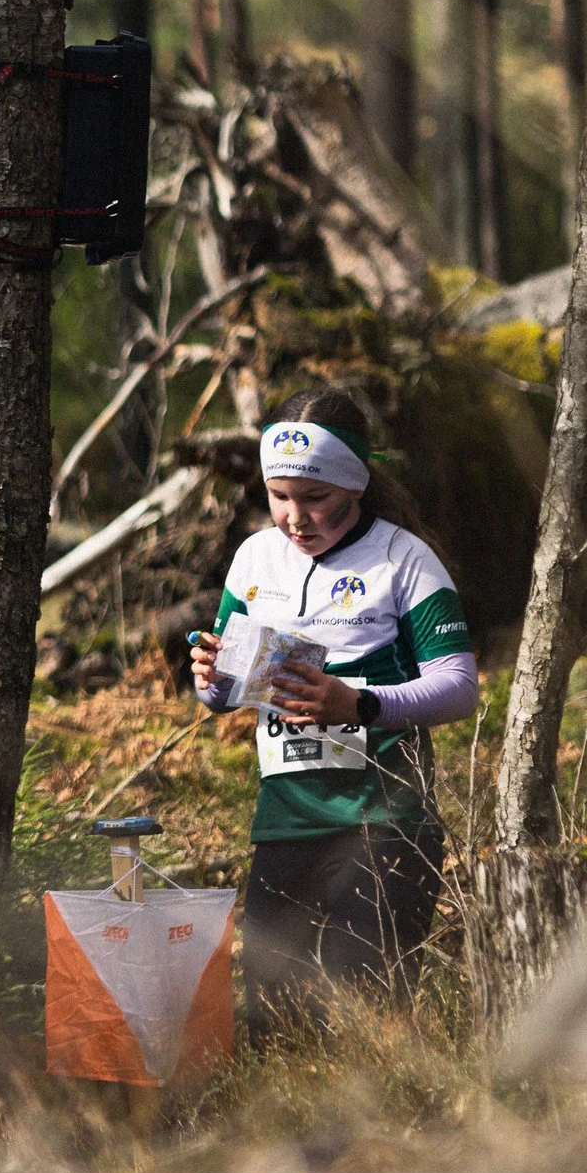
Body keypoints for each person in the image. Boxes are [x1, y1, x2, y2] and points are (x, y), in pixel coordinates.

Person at [187, 389, 478, 1027]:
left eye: (316, 497)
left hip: (384, 822)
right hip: (285, 823)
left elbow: (460, 685)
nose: (295, 518)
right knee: (272, 1023)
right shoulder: (255, 558)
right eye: (279, 496)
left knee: (361, 1019)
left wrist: (357, 704)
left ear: (355, 484)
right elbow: (224, 691)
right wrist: (210, 678)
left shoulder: (404, 559)